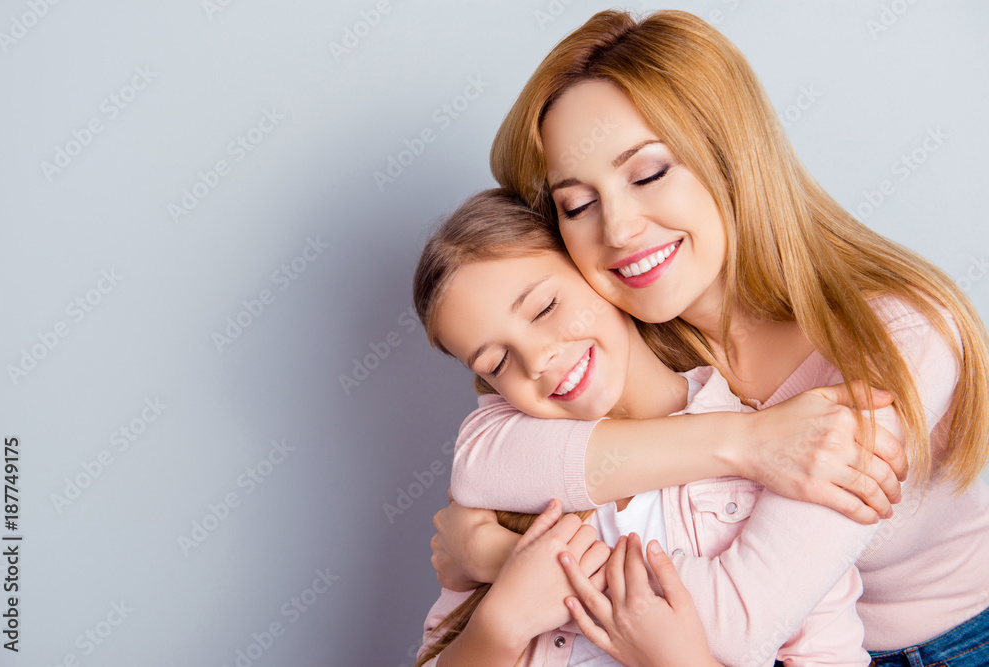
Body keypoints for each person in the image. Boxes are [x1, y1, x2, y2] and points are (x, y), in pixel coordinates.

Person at [430, 9, 989, 667]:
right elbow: (485, 458)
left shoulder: (894, 338)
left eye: (647, 173)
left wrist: (502, 557)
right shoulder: (620, 335)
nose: (619, 228)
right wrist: (749, 442)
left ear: (730, 157)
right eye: (578, 204)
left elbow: (738, 621)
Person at [413, 189, 870, 666]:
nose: (537, 359)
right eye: (498, 361)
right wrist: (501, 623)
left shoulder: (781, 465)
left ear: (596, 272)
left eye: (545, 308)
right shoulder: (506, 474)